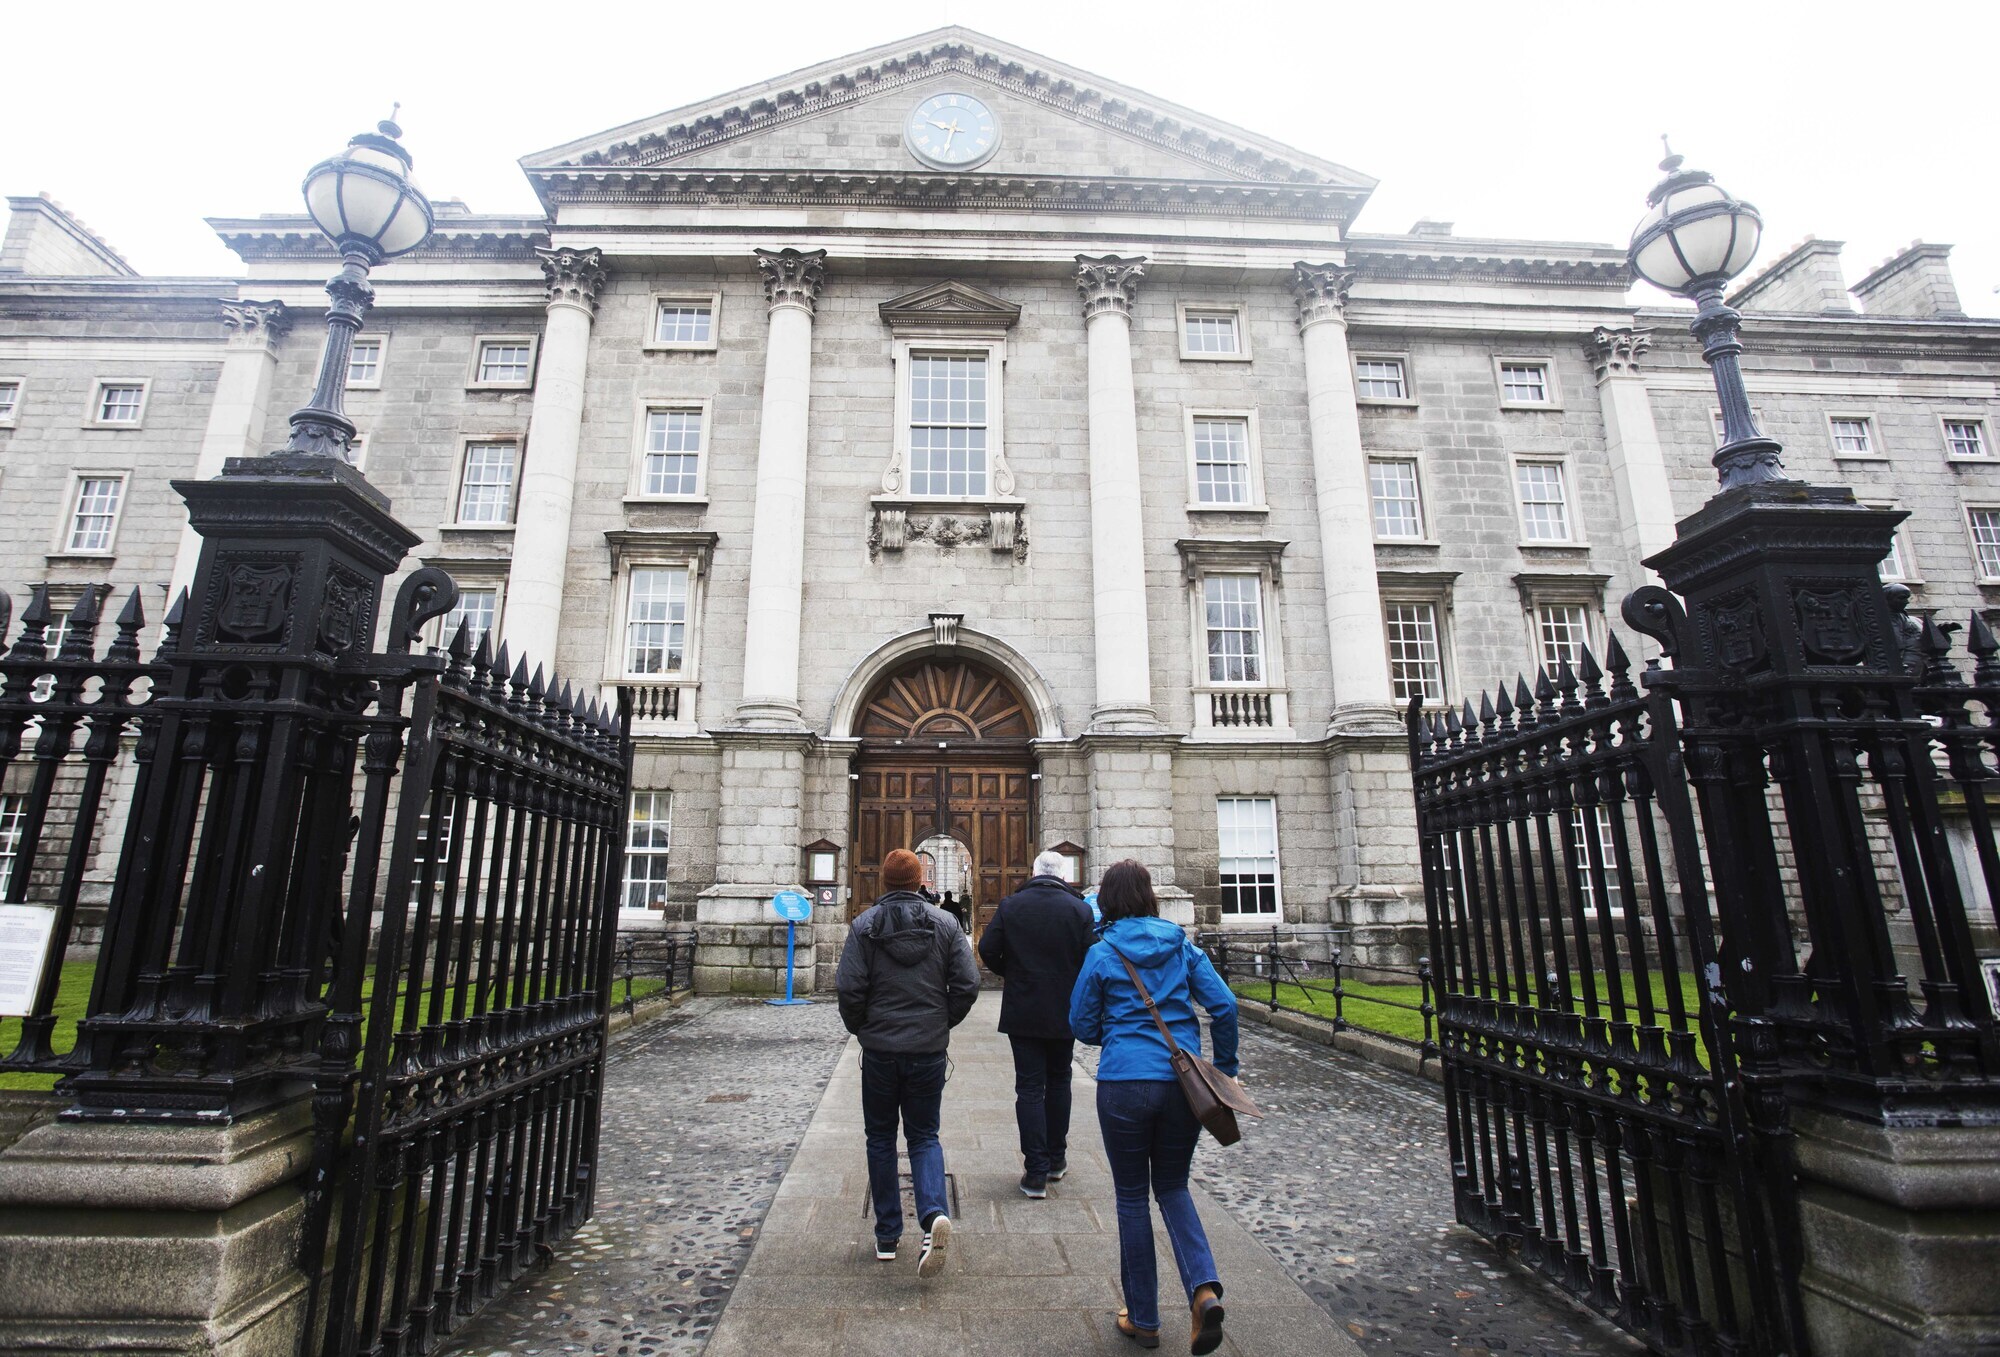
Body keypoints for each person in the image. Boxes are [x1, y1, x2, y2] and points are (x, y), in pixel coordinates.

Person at [1069, 860, 1240, 1356]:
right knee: (1172, 1186)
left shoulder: (1102, 952)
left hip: (1124, 1083)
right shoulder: (1181, 946)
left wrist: (1116, 1035)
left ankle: (1144, 1319)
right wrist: (1225, 1069)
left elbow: (1081, 1024)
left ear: (1107, 900)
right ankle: (1203, 1291)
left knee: (1130, 1197)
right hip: (1183, 1085)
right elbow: (1225, 1006)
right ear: (1150, 897)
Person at [836, 847, 980, 1277]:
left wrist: (864, 1029)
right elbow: (968, 984)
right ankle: (933, 1213)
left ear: (884, 881)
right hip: (927, 1050)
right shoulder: (945, 924)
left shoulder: (864, 925)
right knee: (923, 1136)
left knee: (880, 1138)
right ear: (919, 882)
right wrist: (940, 1022)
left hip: (880, 1051)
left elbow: (849, 988)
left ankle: (886, 1234)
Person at [978, 848, 1094, 1198]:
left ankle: (1035, 1172)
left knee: (1029, 1088)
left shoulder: (1012, 906)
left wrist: (1012, 973)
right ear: (1062, 874)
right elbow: (1091, 957)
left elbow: (987, 948)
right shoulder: (1080, 909)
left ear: (1034, 872)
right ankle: (1056, 1159)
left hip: (1024, 1008)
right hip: (1064, 1009)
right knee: (1059, 1081)